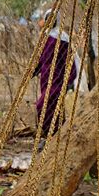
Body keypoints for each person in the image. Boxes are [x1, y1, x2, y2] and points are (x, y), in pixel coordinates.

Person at [34, 15, 80, 144]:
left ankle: (52, 135)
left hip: (57, 79)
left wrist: (70, 80)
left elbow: (69, 61)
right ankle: (52, 138)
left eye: (52, 19)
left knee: (43, 105)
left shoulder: (63, 40)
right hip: (45, 77)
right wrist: (35, 70)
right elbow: (42, 58)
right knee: (51, 107)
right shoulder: (45, 37)